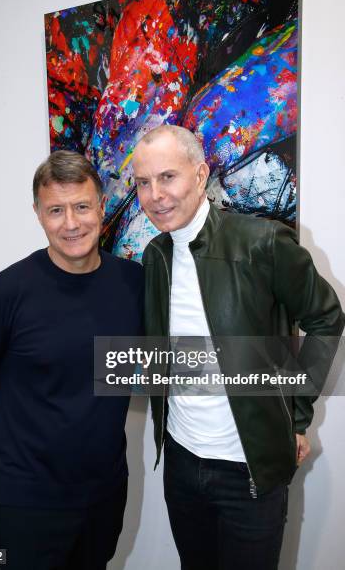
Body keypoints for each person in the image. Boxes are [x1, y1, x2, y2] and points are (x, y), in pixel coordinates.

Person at [132, 124, 344, 570]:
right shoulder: (155, 256)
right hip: (183, 464)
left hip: (250, 468)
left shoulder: (263, 242)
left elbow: (325, 318)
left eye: (167, 177)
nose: (155, 195)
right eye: (143, 183)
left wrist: (297, 415)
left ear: (201, 173)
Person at [0, 150, 144, 570]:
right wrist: (19, 428)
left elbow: (159, 362)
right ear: (38, 214)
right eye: (56, 210)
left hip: (104, 491)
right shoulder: (7, 291)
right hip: (27, 498)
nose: (71, 223)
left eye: (81, 207)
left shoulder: (133, 283)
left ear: (101, 207)